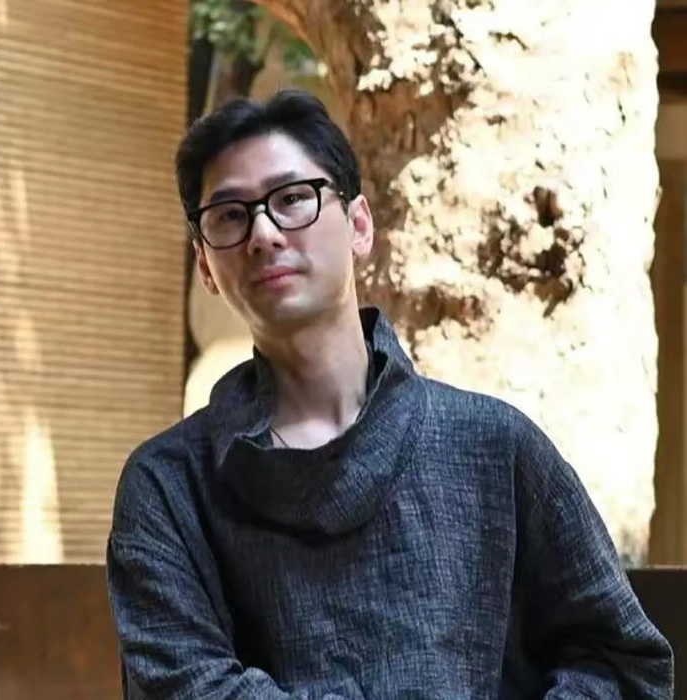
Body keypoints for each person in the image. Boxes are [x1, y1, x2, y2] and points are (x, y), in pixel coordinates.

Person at [106, 89, 673, 699]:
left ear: (359, 225)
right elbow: (187, 688)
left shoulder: (494, 446)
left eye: (292, 198)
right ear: (205, 266)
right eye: (229, 215)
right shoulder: (168, 485)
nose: (263, 233)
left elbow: (619, 661)